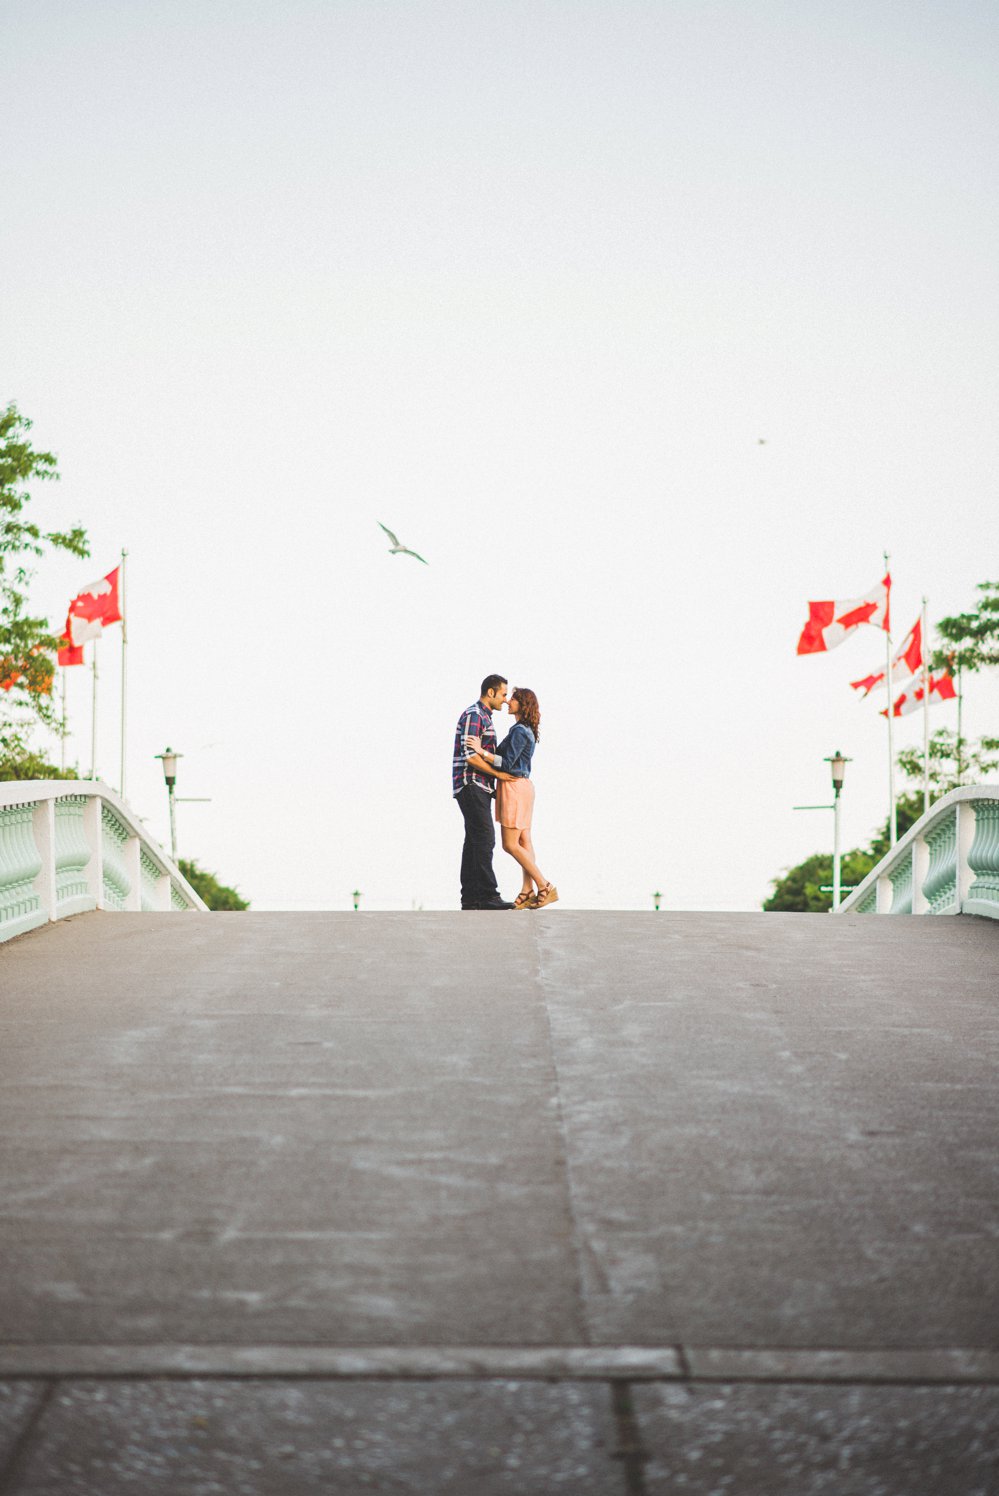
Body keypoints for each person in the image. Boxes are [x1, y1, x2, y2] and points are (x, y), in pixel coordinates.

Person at [465, 687, 558, 910]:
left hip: (514, 786)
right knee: (524, 840)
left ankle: (545, 886)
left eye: (512, 698)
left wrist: (482, 751)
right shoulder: (524, 729)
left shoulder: (519, 731)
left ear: (522, 704)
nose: (508, 702)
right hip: (522, 787)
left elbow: (507, 764)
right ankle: (527, 890)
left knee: (510, 844)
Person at [452, 675, 513, 910]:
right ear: (491, 692)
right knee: (485, 838)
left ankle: (470, 898)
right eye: (504, 694)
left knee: (474, 840)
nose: (506, 700)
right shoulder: (474, 715)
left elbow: (486, 755)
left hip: (480, 786)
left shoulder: (484, 717)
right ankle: (488, 895)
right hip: (471, 783)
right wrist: (497, 775)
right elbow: (470, 755)